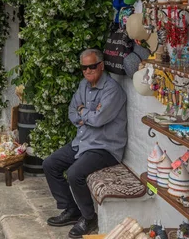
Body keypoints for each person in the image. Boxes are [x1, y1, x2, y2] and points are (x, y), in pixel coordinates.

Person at [43, 48, 127, 238]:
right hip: (83, 142)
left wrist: (84, 112)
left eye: (92, 67)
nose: (88, 71)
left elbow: (98, 120)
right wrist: (86, 112)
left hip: (104, 148)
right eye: (84, 68)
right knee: (50, 164)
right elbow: (72, 112)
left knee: (75, 174)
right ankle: (71, 210)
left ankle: (89, 218)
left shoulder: (112, 90)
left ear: (101, 66)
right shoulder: (84, 85)